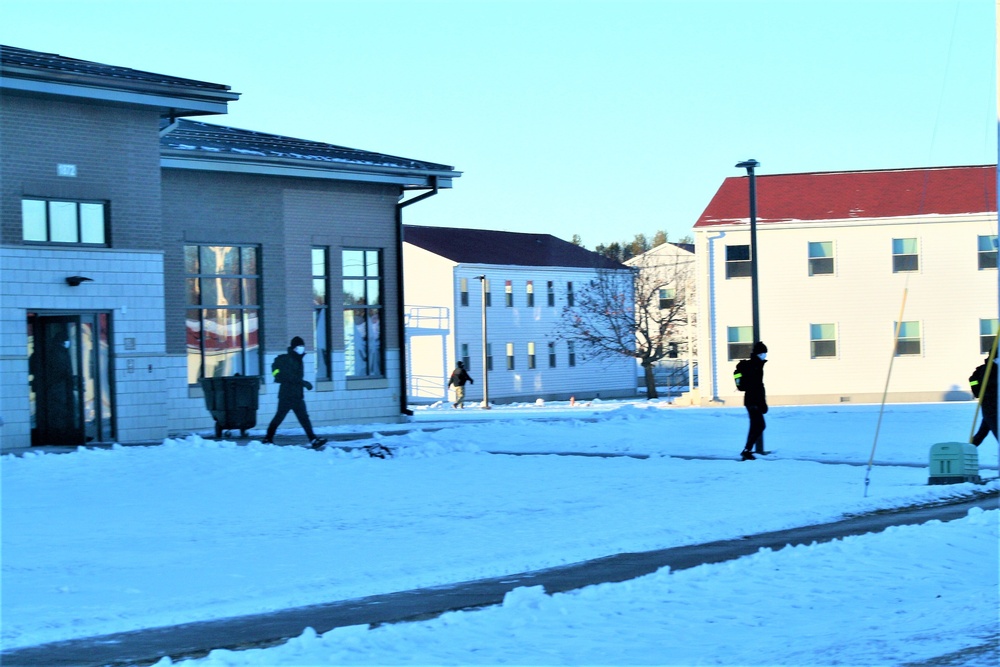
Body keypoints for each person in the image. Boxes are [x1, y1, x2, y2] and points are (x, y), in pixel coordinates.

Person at [263, 336, 327, 449]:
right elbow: (289, 377)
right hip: (287, 395)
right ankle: (268, 438)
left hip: (296, 395)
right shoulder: (288, 359)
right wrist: (304, 383)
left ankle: (313, 439)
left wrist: (302, 384)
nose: (302, 348)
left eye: (302, 346)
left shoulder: (298, 359)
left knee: (304, 418)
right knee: (279, 417)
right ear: (294, 348)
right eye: (299, 346)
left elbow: (293, 377)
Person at [738, 341, 768, 461]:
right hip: (753, 402)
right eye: (763, 353)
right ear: (758, 353)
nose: (765, 355)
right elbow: (756, 387)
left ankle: (747, 450)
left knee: (756, 426)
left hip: (752, 401)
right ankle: (746, 450)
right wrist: (760, 403)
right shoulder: (754, 366)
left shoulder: (757, 365)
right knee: (759, 425)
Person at [970, 353, 997, 447]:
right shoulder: (988, 369)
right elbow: (973, 380)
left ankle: (970, 448)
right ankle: (969, 449)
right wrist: (978, 391)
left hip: (991, 407)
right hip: (991, 406)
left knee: (983, 431)